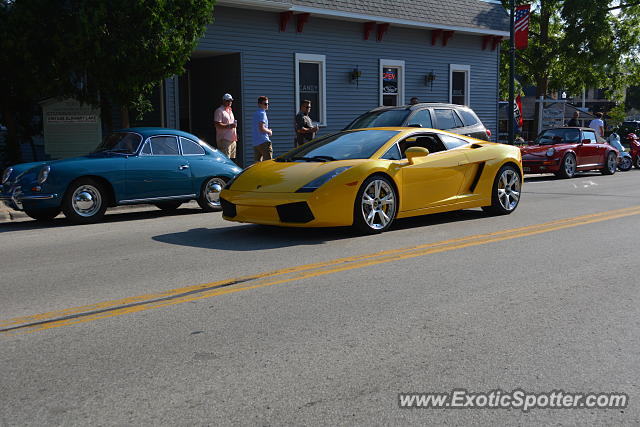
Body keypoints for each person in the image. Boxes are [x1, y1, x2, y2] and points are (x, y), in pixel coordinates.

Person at [213, 93, 237, 159]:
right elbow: (217, 124)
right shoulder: (219, 111)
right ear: (223, 101)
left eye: (231, 100)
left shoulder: (230, 111)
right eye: (228, 100)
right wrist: (229, 126)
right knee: (225, 160)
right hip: (224, 139)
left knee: (232, 160)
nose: (230, 102)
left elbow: (232, 124)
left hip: (232, 139)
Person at [252, 96, 273, 161]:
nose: (267, 105)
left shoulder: (255, 113)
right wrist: (269, 131)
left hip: (256, 143)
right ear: (259, 104)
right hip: (264, 142)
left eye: (267, 104)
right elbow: (261, 128)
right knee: (268, 164)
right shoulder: (262, 114)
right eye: (265, 104)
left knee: (258, 165)